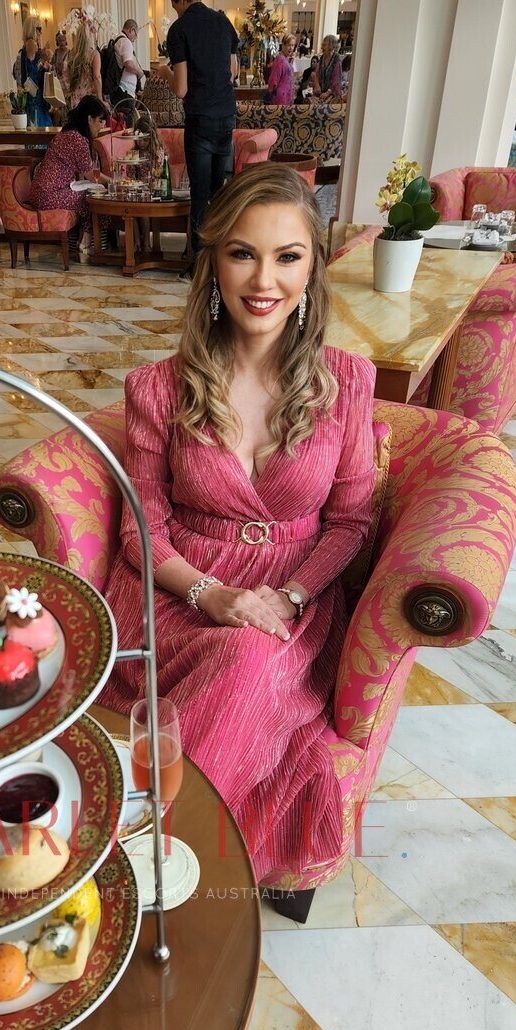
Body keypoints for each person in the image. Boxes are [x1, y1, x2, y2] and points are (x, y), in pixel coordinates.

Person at [100, 163, 375, 919]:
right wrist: (212, 594)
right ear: (214, 262)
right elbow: (141, 527)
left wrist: (290, 595)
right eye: (243, 253)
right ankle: (140, 860)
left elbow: (352, 522)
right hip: (180, 591)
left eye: (288, 256)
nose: (264, 279)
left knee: (251, 661)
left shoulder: (346, 383)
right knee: (238, 659)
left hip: (294, 595)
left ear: (312, 268)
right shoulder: (159, 387)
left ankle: (147, 859)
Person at [155, 0, 240, 262]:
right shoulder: (223, 21)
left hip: (201, 119)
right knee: (218, 193)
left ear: (179, 1)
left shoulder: (179, 29)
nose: (175, 9)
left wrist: (165, 73)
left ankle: (198, 264)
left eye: (173, 5)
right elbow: (233, 72)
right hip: (226, 117)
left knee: (200, 196)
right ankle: (219, 259)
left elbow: (181, 89)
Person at [29, 95, 110, 257]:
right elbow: (91, 175)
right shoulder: (77, 140)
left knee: (91, 196)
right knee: (97, 199)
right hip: (50, 195)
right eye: (100, 120)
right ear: (89, 119)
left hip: (41, 193)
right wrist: (114, 181)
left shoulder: (66, 133)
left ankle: (83, 241)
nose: (103, 125)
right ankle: (85, 242)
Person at [13, 17, 52, 128]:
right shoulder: (31, 43)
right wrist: (43, 60)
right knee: (38, 126)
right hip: (33, 95)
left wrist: (42, 62)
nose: (41, 32)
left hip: (31, 93)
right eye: (39, 29)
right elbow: (31, 73)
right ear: (32, 29)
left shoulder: (27, 44)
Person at [64, 21, 103, 111]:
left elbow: (66, 76)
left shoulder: (70, 54)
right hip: (89, 99)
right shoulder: (94, 54)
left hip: (75, 98)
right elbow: (97, 77)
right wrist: (100, 99)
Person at [114, 19, 146, 113]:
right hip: (126, 90)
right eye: (136, 34)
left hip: (120, 89)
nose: (135, 38)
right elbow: (128, 64)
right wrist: (140, 73)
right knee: (128, 118)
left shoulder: (118, 39)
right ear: (131, 30)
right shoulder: (126, 42)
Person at [265, 35, 296, 105]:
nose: (291, 48)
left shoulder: (286, 58)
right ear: (283, 45)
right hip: (280, 99)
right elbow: (273, 80)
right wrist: (268, 97)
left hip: (287, 97)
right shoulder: (280, 59)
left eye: (293, 45)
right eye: (289, 45)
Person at [313, 34, 343, 100]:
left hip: (333, 95)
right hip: (322, 94)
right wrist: (317, 85)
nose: (321, 48)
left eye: (324, 45)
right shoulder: (322, 58)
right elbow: (316, 74)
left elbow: (336, 79)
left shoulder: (336, 58)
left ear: (331, 46)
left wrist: (328, 92)